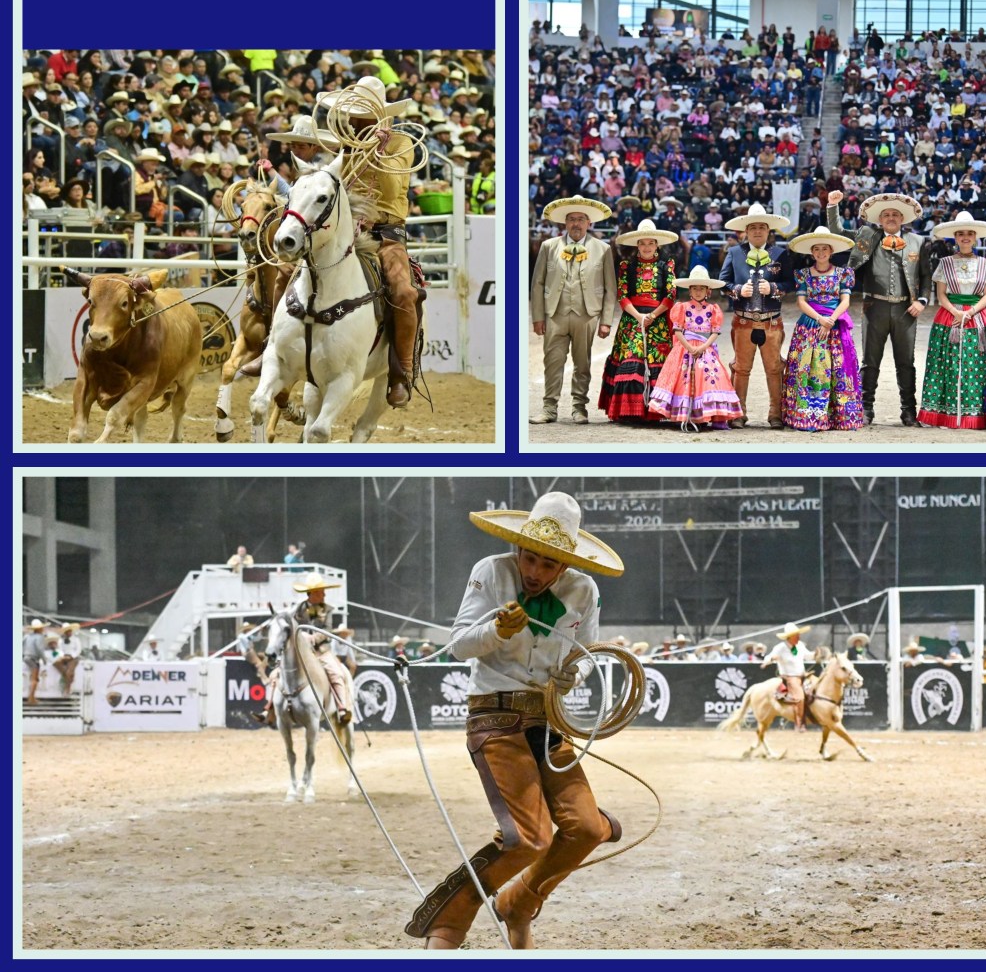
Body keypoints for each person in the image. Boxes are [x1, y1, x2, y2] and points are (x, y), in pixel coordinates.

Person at [405, 491, 624, 949]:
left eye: (548, 564)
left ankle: (518, 904)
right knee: (528, 838)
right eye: (529, 558)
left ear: (565, 564)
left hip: (549, 721)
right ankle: (449, 921)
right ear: (518, 548)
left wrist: (574, 674)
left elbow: (589, 655)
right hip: (495, 715)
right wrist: (496, 630)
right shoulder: (490, 571)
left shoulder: (585, 591)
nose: (534, 572)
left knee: (586, 829)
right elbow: (459, 645)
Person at [317, 76, 424, 408]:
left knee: (403, 292)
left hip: (386, 236)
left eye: (360, 115)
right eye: (353, 114)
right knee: (291, 271)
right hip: (346, 231)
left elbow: (392, 189)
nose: (354, 120)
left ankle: (401, 372)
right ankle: (273, 346)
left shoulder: (401, 143)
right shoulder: (345, 145)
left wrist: (377, 152)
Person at [826, 190, 929, 426]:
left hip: (906, 309)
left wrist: (921, 300)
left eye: (895, 214)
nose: (891, 218)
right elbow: (837, 232)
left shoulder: (918, 241)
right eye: (886, 215)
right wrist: (832, 206)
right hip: (874, 306)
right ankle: (866, 408)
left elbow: (925, 276)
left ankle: (908, 411)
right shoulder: (867, 234)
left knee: (906, 362)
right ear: (880, 219)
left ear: (902, 218)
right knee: (870, 361)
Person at [529, 196, 616, 424]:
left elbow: (611, 288)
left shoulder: (603, 249)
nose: (576, 223)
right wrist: (537, 316)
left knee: (582, 363)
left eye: (580, 219)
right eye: (571, 219)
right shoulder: (549, 246)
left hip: (587, 315)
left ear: (589, 223)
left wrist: (606, 320)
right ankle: (549, 408)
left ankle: (579, 408)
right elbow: (537, 283)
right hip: (555, 314)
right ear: (565, 223)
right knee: (552, 362)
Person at [917, 211, 986, 429]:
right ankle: (944, 414)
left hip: (977, 316)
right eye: (961, 234)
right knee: (947, 363)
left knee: (977, 365)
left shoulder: (985, 264)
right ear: (955, 237)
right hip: (949, 316)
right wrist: (956, 312)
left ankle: (975, 415)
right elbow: (941, 295)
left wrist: (970, 312)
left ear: (975, 237)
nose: (965, 237)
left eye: (969, 234)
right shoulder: (945, 263)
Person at [781, 226, 864, 431]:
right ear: (812, 252)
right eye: (816, 249)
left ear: (831, 251)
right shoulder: (803, 274)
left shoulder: (843, 274)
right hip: (810, 324)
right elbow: (801, 302)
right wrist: (820, 319)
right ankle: (809, 415)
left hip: (834, 324)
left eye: (824, 248)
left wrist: (831, 320)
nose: (820, 253)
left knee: (837, 367)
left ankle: (838, 416)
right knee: (807, 367)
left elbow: (845, 301)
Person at [719, 203, 794, 428]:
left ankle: (776, 414)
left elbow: (790, 283)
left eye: (762, 227)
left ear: (768, 230)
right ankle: (738, 413)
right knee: (741, 368)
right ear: (746, 230)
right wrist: (737, 290)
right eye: (753, 227)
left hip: (772, 321)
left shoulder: (780, 253)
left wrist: (774, 288)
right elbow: (722, 283)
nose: (758, 231)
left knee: (774, 368)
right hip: (743, 321)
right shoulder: (734, 253)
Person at [598, 218, 678, 422]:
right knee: (632, 359)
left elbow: (671, 295)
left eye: (651, 243)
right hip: (632, 320)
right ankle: (630, 412)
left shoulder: (667, 265)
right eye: (642, 243)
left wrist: (652, 316)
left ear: (657, 245)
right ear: (637, 245)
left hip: (658, 321)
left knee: (656, 361)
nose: (647, 247)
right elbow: (622, 295)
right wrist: (639, 317)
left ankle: (655, 412)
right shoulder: (626, 266)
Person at [648, 267, 743, 430]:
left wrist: (704, 347)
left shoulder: (713, 310)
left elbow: (714, 332)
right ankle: (685, 414)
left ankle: (704, 414)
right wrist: (689, 347)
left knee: (709, 378)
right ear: (689, 290)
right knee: (683, 379)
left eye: (702, 288)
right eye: (695, 288)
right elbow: (677, 331)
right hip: (685, 348)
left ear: (708, 291)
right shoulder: (682, 307)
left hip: (705, 349)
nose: (698, 292)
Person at [253, 576, 351, 727]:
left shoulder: (327, 610)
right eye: (321, 591)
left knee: (336, 673)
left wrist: (313, 638)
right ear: (313, 593)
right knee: (275, 674)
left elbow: (327, 631)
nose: (324, 594)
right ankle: (269, 708)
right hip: (300, 653)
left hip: (321, 652)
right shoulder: (296, 609)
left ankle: (341, 708)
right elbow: (284, 621)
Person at [762, 622, 815, 732]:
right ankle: (799, 723)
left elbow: (808, 656)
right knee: (800, 697)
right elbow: (769, 657)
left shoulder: (800, 646)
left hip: (803, 675)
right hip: (790, 677)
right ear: (790, 637)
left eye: (798, 635)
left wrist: (818, 653)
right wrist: (769, 660)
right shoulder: (780, 648)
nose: (799, 637)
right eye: (796, 635)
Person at [54, 623, 83, 695]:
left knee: (69, 671)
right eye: (67, 631)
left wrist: (71, 656)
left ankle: (67, 688)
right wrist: (62, 656)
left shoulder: (76, 639)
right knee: (56, 663)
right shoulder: (61, 640)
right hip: (64, 656)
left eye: (69, 631)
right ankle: (68, 678)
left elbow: (78, 650)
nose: (68, 632)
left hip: (73, 657)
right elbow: (59, 649)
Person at [23, 619, 47, 705]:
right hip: (33, 658)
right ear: (39, 628)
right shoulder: (40, 637)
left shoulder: (27, 636)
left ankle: (31, 697)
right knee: (34, 679)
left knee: (31, 678)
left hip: (26, 657)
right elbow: (39, 649)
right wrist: (44, 659)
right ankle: (31, 698)